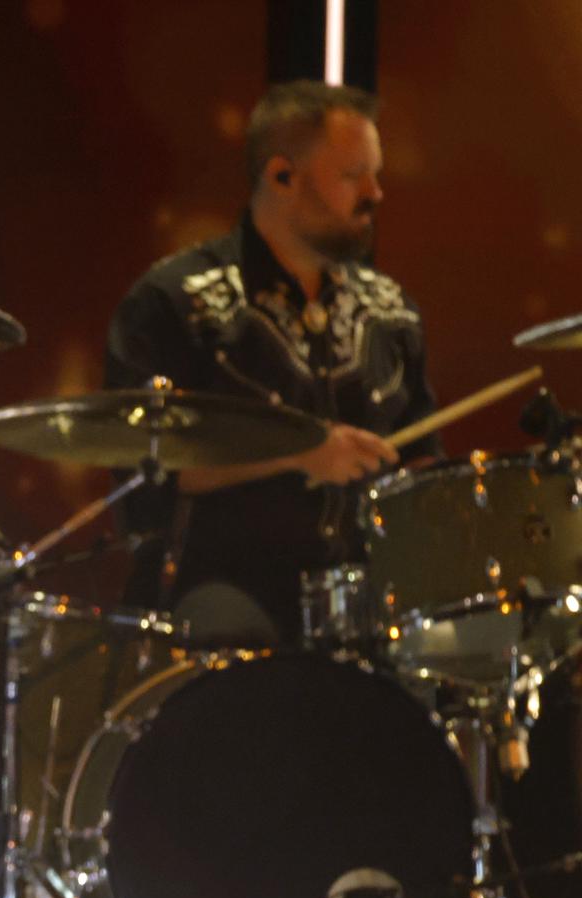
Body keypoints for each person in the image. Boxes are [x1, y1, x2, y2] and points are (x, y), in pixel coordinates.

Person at [106, 81, 437, 643]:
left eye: (375, 174)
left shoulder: (392, 312)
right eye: (354, 175)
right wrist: (301, 454)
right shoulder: (175, 301)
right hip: (221, 593)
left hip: (370, 600)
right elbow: (148, 471)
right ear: (283, 176)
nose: (377, 193)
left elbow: (423, 463)